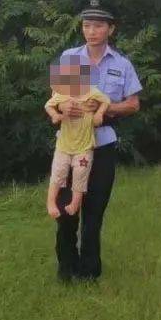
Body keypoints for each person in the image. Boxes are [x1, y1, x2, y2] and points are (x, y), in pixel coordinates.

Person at [53, 0, 142, 282]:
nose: (91, 31)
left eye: (98, 25)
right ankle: (67, 269)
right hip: (69, 145)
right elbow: (54, 101)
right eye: (87, 25)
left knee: (94, 212)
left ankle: (90, 272)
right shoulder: (70, 58)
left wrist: (108, 109)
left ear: (110, 29)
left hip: (102, 144)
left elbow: (133, 104)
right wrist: (62, 107)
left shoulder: (122, 64)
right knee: (67, 209)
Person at [44, 56, 110, 219]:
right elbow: (48, 105)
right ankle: (51, 202)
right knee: (58, 173)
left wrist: (99, 113)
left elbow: (106, 100)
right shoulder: (62, 93)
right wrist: (55, 115)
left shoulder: (92, 92)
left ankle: (75, 203)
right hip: (64, 145)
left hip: (85, 145)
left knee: (81, 173)